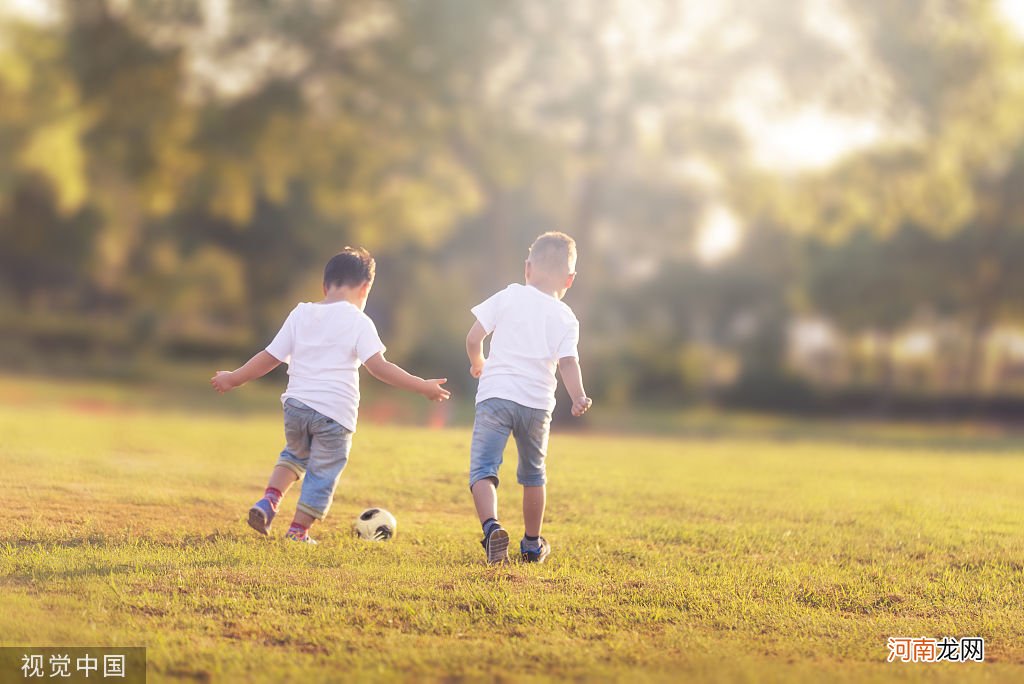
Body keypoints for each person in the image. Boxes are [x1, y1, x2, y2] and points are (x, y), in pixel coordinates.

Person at [211, 247, 450, 544]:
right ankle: (298, 532)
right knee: (323, 472)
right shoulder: (359, 321)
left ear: (325, 286)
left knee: (293, 456)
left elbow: (269, 357)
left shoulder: (301, 313)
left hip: (296, 407)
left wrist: (233, 378)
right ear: (365, 289)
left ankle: (268, 501)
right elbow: (379, 367)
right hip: (334, 414)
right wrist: (421, 385)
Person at [465, 231, 592, 564]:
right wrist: (578, 396)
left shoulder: (509, 296)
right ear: (570, 279)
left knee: (483, 469)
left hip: (496, 396)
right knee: (534, 474)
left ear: (527, 268)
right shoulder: (566, 317)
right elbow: (568, 362)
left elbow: (473, 337)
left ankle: (492, 529)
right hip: (536, 405)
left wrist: (478, 362)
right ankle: (532, 544)